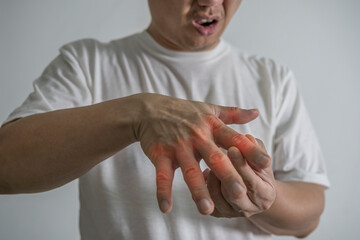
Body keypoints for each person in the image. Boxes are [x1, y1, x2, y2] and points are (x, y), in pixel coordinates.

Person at [0, 0, 330, 239]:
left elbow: (310, 214)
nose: (210, 2)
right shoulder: (88, 64)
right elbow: (6, 166)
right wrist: (139, 114)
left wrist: (262, 199)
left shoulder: (271, 78)